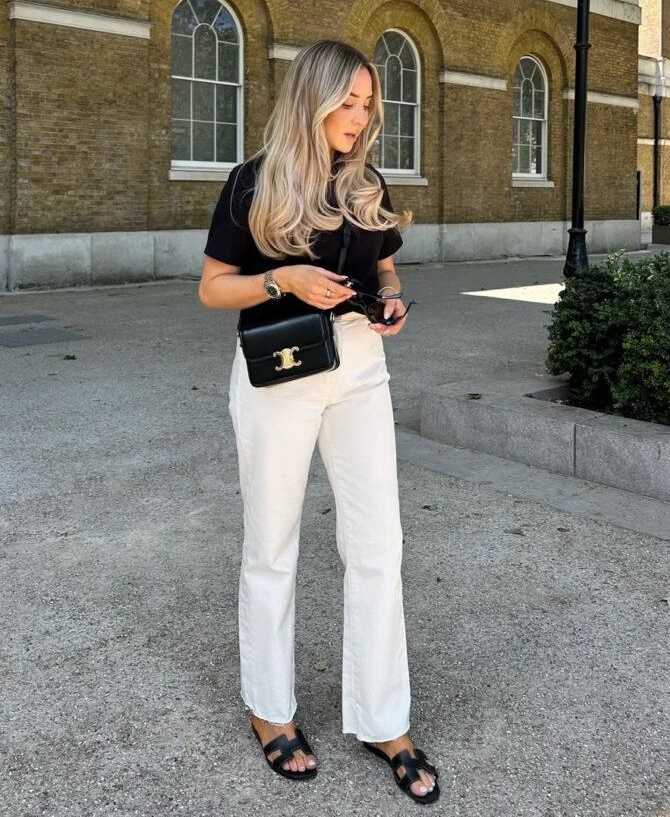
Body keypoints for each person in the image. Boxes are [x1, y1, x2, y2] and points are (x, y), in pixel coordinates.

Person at [198, 39, 440, 805]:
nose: (360, 116)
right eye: (349, 101)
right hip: (280, 372)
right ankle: (270, 712)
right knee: (272, 544)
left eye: (368, 103)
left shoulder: (366, 181)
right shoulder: (254, 183)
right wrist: (282, 279)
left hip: (361, 366)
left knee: (378, 545)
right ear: (313, 97)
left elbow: (386, 262)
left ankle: (382, 718)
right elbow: (212, 289)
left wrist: (393, 298)